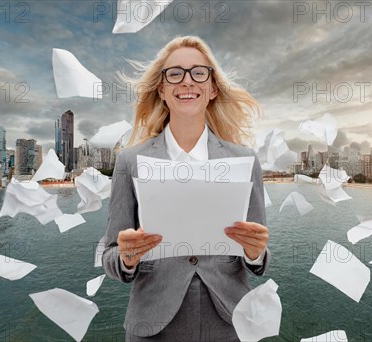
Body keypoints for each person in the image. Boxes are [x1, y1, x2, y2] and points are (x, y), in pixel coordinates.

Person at [102, 36, 270, 341]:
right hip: (153, 326)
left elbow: (259, 256)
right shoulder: (129, 162)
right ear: (162, 89)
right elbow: (110, 255)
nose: (187, 82)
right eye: (175, 73)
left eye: (198, 72)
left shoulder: (245, 160)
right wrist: (126, 257)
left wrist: (256, 252)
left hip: (231, 323)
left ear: (213, 88)